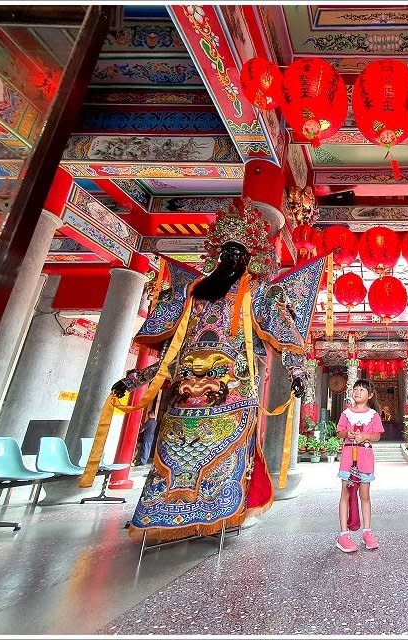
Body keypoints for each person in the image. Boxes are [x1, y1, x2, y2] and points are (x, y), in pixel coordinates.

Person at [110, 198, 326, 544]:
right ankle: (164, 515)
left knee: (225, 459)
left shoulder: (258, 294)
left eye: (240, 255)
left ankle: (223, 513)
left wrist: (298, 372)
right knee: (172, 457)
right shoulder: (191, 294)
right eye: (227, 254)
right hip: (184, 393)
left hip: (233, 391)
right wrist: (134, 379)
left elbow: (283, 333)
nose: (232, 260)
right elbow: (172, 351)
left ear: (251, 260)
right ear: (216, 257)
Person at [335, 378, 384, 553]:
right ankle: (343, 534)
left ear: (370, 395)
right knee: (345, 494)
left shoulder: (373, 415)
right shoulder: (346, 413)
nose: (357, 392)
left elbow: (377, 436)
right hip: (348, 456)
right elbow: (339, 432)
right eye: (355, 389)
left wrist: (365, 437)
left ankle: (367, 532)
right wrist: (346, 433)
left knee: (365, 494)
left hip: (365, 457)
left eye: (362, 390)